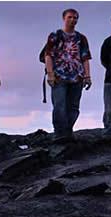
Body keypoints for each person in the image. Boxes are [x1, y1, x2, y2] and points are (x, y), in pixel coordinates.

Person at [44, 8, 92, 141]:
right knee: (59, 105)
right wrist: (50, 74)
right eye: (70, 17)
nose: (73, 20)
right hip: (59, 76)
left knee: (74, 107)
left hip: (77, 77)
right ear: (64, 18)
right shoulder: (55, 36)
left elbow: (85, 58)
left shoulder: (81, 38)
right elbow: (48, 55)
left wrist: (87, 76)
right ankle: (59, 133)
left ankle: (68, 131)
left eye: (75, 17)